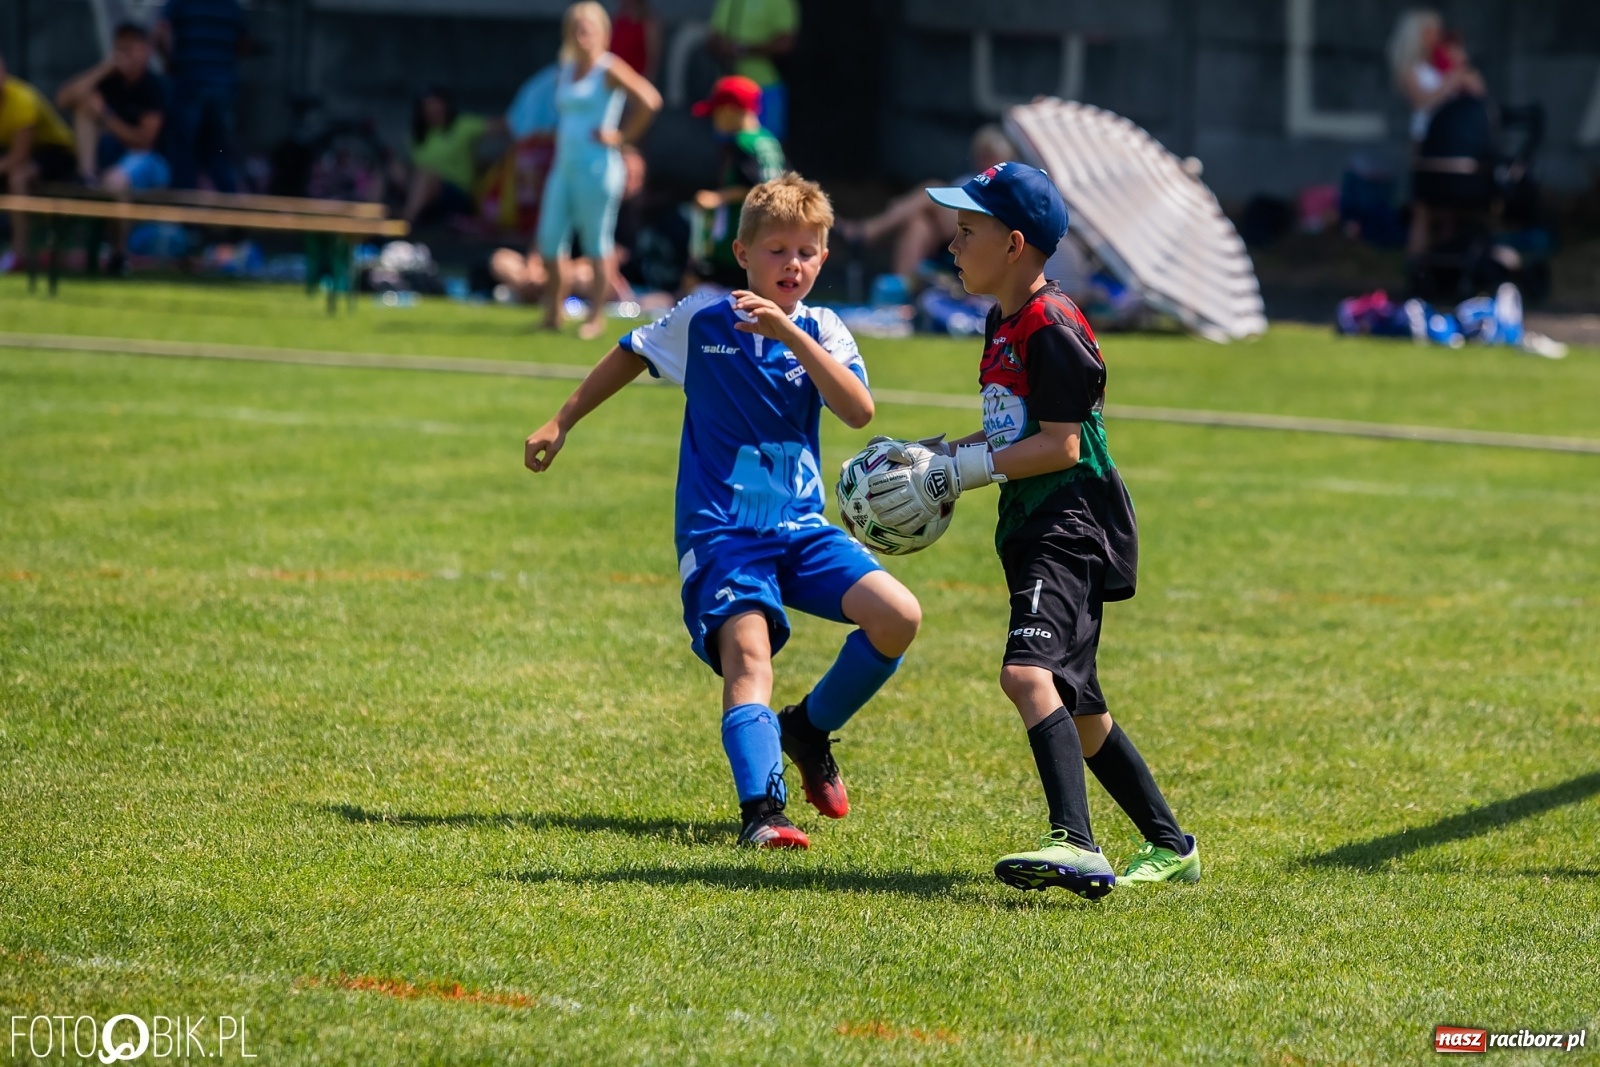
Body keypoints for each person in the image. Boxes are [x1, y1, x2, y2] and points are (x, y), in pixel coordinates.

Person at [523, 173, 922, 849]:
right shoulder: (702, 319)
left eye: (806, 252)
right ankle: (763, 811)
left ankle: (808, 729)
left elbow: (857, 411)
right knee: (749, 657)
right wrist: (561, 421)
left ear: (823, 258)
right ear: (742, 253)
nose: (792, 264)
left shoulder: (823, 329)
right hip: (723, 533)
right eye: (776, 250)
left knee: (898, 617)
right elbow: (629, 353)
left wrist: (791, 334)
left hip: (801, 529)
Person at [869, 162, 1197, 896]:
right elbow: (1010, 431)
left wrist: (966, 472)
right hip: (1032, 522)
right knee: (1081, 707)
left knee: (1026, 675)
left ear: (1014, 244)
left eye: (967, 231)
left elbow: (1062, 445)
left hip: (1071, 524)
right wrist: (936, 458)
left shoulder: (1051, 324)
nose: (951, 244)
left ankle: (1075, 842)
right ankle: (1171, 845)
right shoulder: (1002, 321)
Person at [537, 1, 662, 339]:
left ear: (602, 32)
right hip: (564, 165)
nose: (582, 35)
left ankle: (595, 316)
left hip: (597, 167)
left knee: (596, 243)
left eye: (588, 29)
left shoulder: (609, 67)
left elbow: (649, 100)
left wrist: (622, 137)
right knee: (550, 240)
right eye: (576, 29)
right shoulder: (566, 68)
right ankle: (553, 313)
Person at [837, 124, 1013, 285]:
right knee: (918, 223)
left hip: (985, 230)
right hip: (953, 234)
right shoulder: (967, 179)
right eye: (982, 154)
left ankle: (868, 232)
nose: (985, 161)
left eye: (991, 155)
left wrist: (900, 207)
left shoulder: (1010, 182)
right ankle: (901, 290)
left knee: (931, 189)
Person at [1387, 9, 1485, 255]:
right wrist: (1450, 81)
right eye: (1430, 32)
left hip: (1452, 140)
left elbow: (1477, 92)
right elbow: (1422, 101)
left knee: (1450, 209)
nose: (1437, 37)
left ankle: (1445, 263)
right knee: (1423, 208)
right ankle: (1417, 264)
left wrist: (1461, 72)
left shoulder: (1442, 64)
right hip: (1425, 140)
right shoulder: (1410, 69)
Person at [688, 75, 786, 290]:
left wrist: (717, 198)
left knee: (707, 292)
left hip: (740, 240)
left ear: (730, 110)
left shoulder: (742, 142)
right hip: (767, 236)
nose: (714, 120)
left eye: (716, 113)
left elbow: (757, 187)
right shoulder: (768, 141)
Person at [56, 22, 170, 195]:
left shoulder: (154, 86)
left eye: (132, 47)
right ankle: (87, 177)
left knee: (114, 180)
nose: (126, 53)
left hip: (149, 161)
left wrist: (105, 115)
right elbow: (63, 100)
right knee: (85, 103)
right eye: (122, 47)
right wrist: (103, 68)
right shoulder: (110, 79)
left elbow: (144, 142)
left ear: (146, 50)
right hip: (111, 155)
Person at [154, 0, 245, 191]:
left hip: (190, 81)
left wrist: (170, 62)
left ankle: (185, 205)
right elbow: (242, 42)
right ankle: (228, 201)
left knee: (184, 149)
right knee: (218, 148)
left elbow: (161, 32)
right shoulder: (231, 5)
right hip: (223, 85)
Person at [0, 51, 79, 270]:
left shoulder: (23, 99)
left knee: (18, 178)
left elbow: (18, 158)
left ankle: (19, 254)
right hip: (13, 153)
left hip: (57, 154)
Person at [402, 87, 492, 228]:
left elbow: (505, 125)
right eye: (428, 105)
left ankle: (406, 220)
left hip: (457, 193)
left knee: (426, 175)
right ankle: (372, 220)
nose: (433, 108)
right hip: (426, 194)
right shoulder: (419, 138)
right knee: (392, 170)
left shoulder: (462, 125)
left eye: (436, 103)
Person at [707, 0, 796, 141]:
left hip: (764, 87)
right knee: (727, 145)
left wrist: (743, 49)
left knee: (768, 145)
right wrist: (723, 47)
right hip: (730, 88)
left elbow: (785, 43)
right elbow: (714, 36)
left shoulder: (780, 2)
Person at [610, 0, 661, 85]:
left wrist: (645, 83)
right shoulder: (616, 19)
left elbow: (652, 59)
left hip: (637, 82)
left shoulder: (649, 22)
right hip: (615, 81)